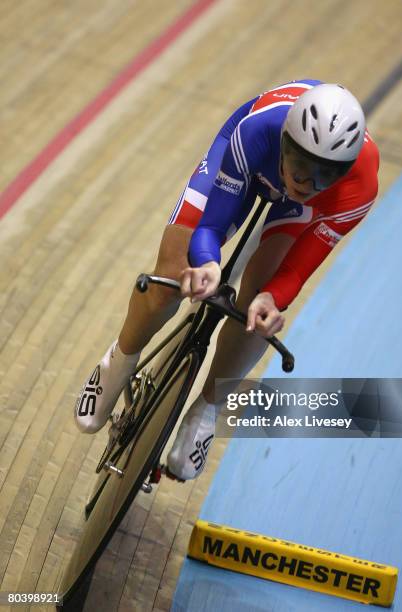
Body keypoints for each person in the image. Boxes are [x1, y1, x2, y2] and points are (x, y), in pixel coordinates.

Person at [74, 79, 379, 480]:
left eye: (326, 176)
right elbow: (212, 225)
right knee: (172, 272)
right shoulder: (256, 131)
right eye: (302, 169)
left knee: (257, 307)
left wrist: (272, 298)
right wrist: (207, 263)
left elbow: (299, 269)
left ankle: (208, 408)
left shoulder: (358, 189)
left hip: (301, 206)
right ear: (287, 144)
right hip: (250, 164)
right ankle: (119, 359)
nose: (308, 185)